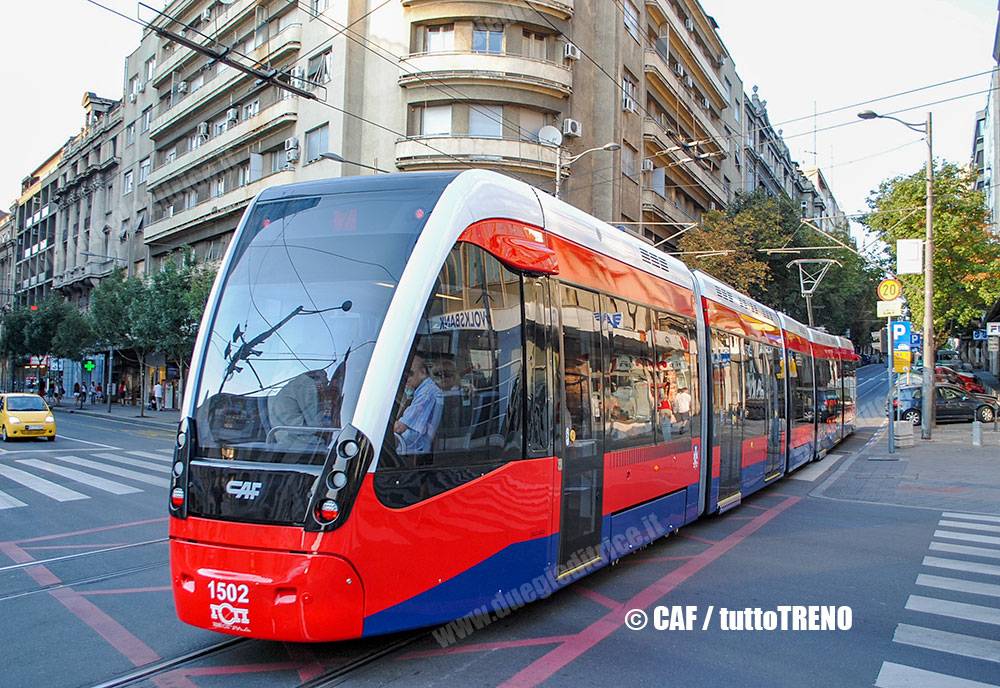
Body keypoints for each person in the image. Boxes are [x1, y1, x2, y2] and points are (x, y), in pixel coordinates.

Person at [393, 354, 443, 455]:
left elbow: (399, 428)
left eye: (410, 374)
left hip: (413, 450)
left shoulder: (426, 393)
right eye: (404, 375)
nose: (406, 379)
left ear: (423, 372)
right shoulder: (421, 389)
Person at [267, 369, 329, 444]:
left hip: (282, 440)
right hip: (301, 441)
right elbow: (314, 424)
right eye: (326, 378)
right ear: (319, 375)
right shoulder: (307, 385)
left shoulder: (286, 386)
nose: (327, 381)